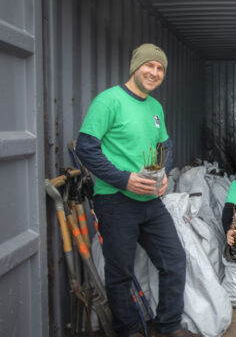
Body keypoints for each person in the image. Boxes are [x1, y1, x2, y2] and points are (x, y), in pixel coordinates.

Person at [76, 44, 199, 337]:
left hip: (150, 200)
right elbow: (86, 148)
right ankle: (128, 329)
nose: (154, 73)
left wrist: (164, 174)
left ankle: (168, 325)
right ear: (135, 66)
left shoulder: (155, 107)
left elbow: (164, 144)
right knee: (120, 273)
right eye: (149, 66)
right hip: (115, 201)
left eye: (160, 69)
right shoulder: (108, 101)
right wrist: (123, 179)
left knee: (174, 261)